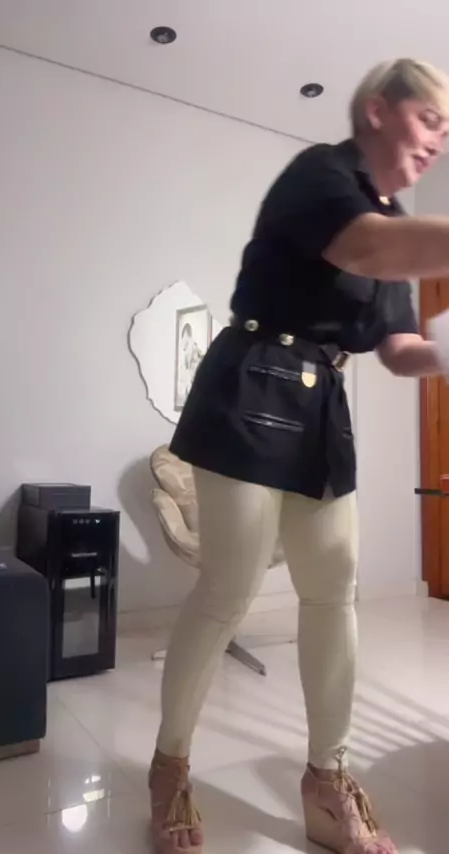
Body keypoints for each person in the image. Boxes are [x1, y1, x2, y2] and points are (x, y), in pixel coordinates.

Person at [149, 58, 449, 854]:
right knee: (228, 588)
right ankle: (169, 767)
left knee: (333, 591)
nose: (438, 142)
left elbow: (398, 350)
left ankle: (327, 781)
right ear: (378, 111)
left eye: (447, 131)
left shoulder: (394, 218)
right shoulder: (321, 175)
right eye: (430, 120)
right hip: (250, 380)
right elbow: (370, 251)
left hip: (322, 400)